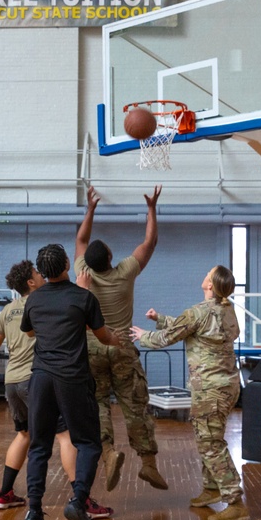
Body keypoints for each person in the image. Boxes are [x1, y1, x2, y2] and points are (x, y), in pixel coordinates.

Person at [0, 260, 113, 520]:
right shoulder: (46, 301)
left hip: (11, 381)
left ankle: (7, 494)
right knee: (67, 437)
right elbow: (88, 325)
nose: (40, 275)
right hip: (38, 378)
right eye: (35, 273)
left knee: (27, 437)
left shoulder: (8, 309)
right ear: (31, 282)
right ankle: (81, 500)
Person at [130, 265, 248, 520]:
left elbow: (171, 336)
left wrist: (143, 336)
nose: (204, 273)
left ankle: (234, 500)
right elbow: (190, 327)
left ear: (210, 285)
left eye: (208, 272)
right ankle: (212, 488)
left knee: (210, 444)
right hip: (227, 386)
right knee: (210, 438)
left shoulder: (199, 312)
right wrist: (160, 318)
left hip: (209, 389)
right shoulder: (227, 311)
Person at [20, 243, 122, 520]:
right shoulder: (83, 297)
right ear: (67, 263)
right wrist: (120, 340)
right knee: (88, 442)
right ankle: (78, 501)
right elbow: (103, 337)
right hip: (72, 379)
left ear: (41, 272)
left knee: (39, 446)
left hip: (40, 379)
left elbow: (29, 331)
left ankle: (34, 512)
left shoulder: (34, 300)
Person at [74, 184, 168, 492]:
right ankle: (149, 465)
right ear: (112, 257)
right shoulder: (125, 271)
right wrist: (151, 208)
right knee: (134, 404)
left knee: (98, 403)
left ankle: (108, 453)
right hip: (123, 347)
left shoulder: (82, 272)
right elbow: (150, 242)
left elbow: (81, 239)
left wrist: (90, 209)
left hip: (92, 348)